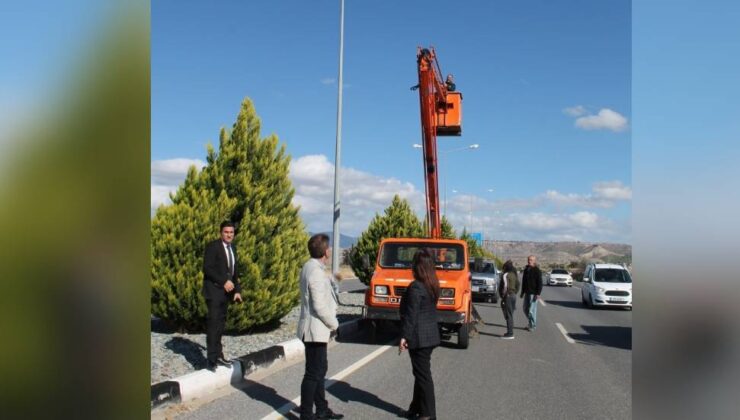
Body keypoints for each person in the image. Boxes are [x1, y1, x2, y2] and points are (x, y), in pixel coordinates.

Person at [296, 234, 344, 420]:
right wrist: (335, 324)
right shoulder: (315, 271)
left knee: (318, 371)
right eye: (329, 248)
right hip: (315, 330)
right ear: (325, 251)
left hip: (315, 329)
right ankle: (307, 415)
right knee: (313, 374)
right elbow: (319, 306)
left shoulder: (312, 267)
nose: (330, 250)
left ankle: (322, 409)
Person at [398, 248, 441, 420]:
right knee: (420, 374)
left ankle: (429, 414)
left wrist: (404, 336)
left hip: (419, 338)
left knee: (423, 377)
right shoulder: (432, 284)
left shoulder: (416, 286)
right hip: (430, 336)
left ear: (418, 266)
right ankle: (415, 409)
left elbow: (411, 315)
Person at [202, 221, 243, 371]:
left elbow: (235, 271)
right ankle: (211, 360)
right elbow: (207, 268)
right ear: (221, 232)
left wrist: (237, 290)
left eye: (231, 232)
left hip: (226, 294)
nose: (229, 235)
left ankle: (219, 356)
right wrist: (223, 281)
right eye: (226, 232)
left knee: (220, 325)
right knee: (213, 325)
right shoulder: (213, 247)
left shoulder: (233, 248)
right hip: (213, 292)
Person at [521, 255, 543, 331]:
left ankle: (533, 326)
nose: (529, 261)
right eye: (528, 259)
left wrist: (538, 293)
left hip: (533, 293)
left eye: (531, 260)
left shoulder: (537, 270)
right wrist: (522, 292)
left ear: (534, 261)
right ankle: (530, 323)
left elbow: (540, 283)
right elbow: (524, 282)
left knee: (531, 311)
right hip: (527, 292)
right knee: (525, 309)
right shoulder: (526, 269)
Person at [499, 259, 519, 339]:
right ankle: (509, 332)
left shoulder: (505, 275)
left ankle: (510, 334)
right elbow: (518, 285)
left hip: (508, 296)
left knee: (508, 315)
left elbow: (504, 287)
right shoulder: (514, 274)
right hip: (513, 295)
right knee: (510, 314)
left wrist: (503, 295)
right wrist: (514, 292)